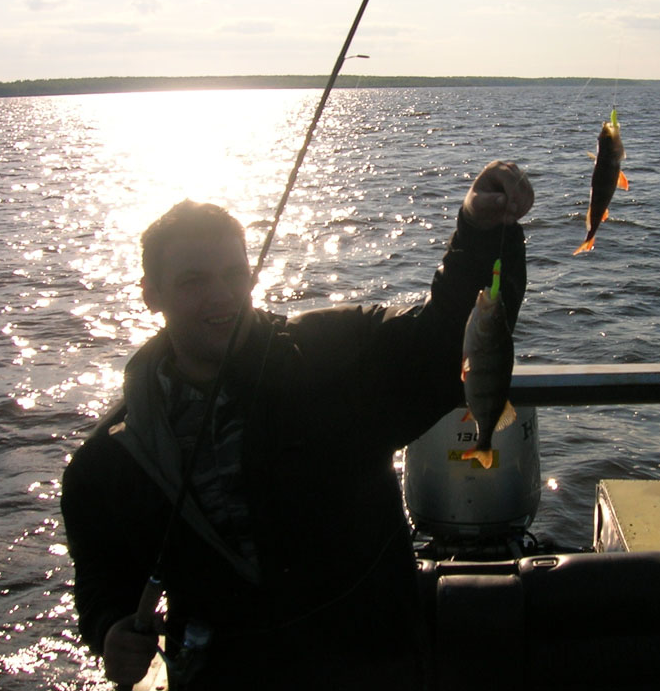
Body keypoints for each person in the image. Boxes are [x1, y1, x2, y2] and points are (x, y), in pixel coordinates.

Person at [61, 160, 533, 689]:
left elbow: (442, 343)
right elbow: (103, 580)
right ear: (150, 293)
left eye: (234, 274)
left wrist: (479, 229)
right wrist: (111, 631)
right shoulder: (110, 460)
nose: (221, 296)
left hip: (371, 666)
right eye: (193, 281)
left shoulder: (333, 356)